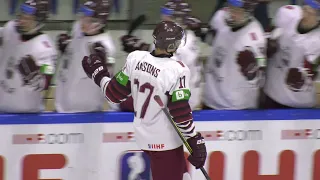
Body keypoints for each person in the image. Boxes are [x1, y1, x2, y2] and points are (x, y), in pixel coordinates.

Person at [82, 21, 207, 180]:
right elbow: (180, 112)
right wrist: (194, 139)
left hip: (144, 136)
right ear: (173, 45)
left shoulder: (135, 58)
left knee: (181, 173)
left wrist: (99, 75)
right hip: (164, 142)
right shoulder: (177, 70)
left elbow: (113, 94)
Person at [119, 0, 202, 111]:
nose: (163, 21)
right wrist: (141, 46)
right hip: (181, 95)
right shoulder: (181, 35)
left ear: (178, 22)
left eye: (168, 18)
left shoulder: (181, 49)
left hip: (179, 103)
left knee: (123, 102)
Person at [202, 0, 267, 110]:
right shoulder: (221, 18)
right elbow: (209, 40)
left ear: (248, 13)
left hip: (234, 106)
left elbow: (261, 68)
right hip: (210, 98)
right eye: (230, 7)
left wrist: (253, 73)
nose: (231, 14)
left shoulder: (254, 39)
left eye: (237, 11)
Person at [55, 0, 117, 113]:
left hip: (86, 113)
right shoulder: (78, 28)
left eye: (90, 20)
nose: (83, 22)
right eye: (83, 16)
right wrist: (67, 47)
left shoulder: (105, 47)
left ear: (100, 22)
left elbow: (108, 81)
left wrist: (103, 66)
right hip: (62, 108)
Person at [0, 0, 57, 113]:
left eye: (28, 19)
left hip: (25, 114)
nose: (22, 21)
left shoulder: (46, 48)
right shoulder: (11, 29)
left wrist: (36, 79)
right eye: (21, 16)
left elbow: (47, 78)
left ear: (39, 22)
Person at [263, 0, 320, 108]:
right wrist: (268, 44)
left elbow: (311, 72)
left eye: (312, 13)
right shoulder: (287, 13)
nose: (305, 14)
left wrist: (303, 80)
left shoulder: (317, 42)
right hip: (271, 91)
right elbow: (266, 37)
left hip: (296, 102)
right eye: (305, 8)